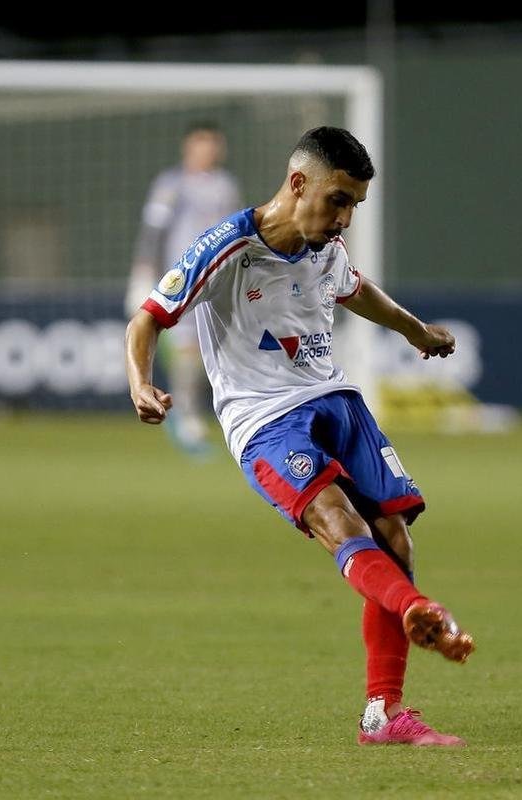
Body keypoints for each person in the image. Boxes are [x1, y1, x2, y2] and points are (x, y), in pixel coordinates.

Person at [125, 126, 475, 746]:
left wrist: (415, 331)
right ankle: (420, 611)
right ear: (298, 184)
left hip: (335, 400)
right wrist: (140, 382)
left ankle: (384, 714)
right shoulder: (227, 246)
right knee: (338, 520)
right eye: (338, 200)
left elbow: (356, 290)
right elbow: (147, 319)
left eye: (354, 206)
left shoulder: (325, 245)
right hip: (264, 419)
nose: (344, 217)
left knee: (394, 539)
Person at [125, 121, 241, 458]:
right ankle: (186, 416)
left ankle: (218, 412)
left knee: (218, 350)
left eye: (213, 145)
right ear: (188, 148)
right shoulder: (171, 184)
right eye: (201, 145)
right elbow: (153, 231)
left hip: (219, 279)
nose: (208, 152)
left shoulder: (225, 185)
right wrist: (143, 273)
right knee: (188, 351)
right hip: (181, 278)